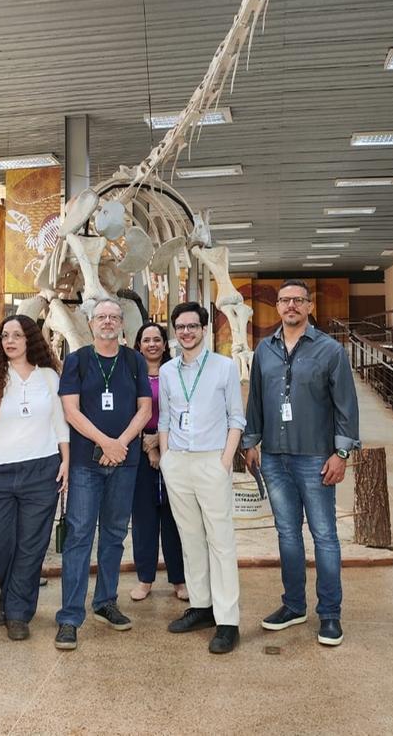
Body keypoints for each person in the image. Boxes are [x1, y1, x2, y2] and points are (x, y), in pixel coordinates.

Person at [242, 279, 360, 647]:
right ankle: (294, 606)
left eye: (298, 300)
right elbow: (256, 402)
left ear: (310, 306)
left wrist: (341, 454)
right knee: (287, 535)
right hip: (275, 459)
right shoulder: (264, 350)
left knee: (324, 536)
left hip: (316, 459)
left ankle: (330, 614)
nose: (291, 305)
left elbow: (346, 407)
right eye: (284, 300)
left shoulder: (330, 351)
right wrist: (251, 443)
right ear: (276, 307)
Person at [54, 298, 152, 651]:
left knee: (113, 534)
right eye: (101, 317)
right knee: (80, 535)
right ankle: (69, 616)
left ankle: (106, 601)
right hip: (86, 463)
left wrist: (121, 444)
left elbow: (145, 408)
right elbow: (70, 410)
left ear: (122, 324)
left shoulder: (134, 360)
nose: (107, 322)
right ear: (90, 323)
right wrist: (105, 443)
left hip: (124, 462)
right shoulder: (77, 360)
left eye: (113, 317)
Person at [0, 315, 69, 641]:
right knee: (0, 543)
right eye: (4, 336)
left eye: (17, 335)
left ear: (30, 339)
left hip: (41, 469)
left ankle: (16, 613)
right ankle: (10, 600)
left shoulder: (49, 377)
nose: (9, 341)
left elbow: (59, 423)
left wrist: (65, 459)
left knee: (31, 546)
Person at [157, 301, 246, 654]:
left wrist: (225, 461)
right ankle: (202, 606)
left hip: (212, 461)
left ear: (204, 329)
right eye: (180, 327)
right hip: (177, 463)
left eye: (193, 326)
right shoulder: (167, 371)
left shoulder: (224, 367)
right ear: (174, 331)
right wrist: (165, 458)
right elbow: (164, 418)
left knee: (220, 541)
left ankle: (227, 621)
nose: (186, 332)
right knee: (190, 539)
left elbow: (236, 419)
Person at [129, 322, 187, 602]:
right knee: (144, 518)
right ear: (138, 344)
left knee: (175, 518)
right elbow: (128, 412)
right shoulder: (131, 374)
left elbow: (184, 410)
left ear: (165, 344)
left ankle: (179, 578)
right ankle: (145, 578)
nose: (152, 344)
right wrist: (148, 445)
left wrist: (160, 445)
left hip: (174, 450)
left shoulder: (176, 373)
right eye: (146, 340)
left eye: (157, 339)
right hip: (139, 454)